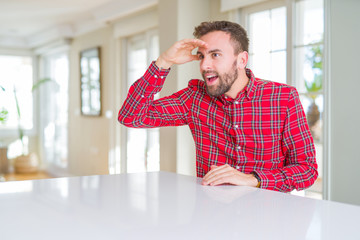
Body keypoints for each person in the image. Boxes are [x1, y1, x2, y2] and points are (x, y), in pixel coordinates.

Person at [118, 21, 318, 192]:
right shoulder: (194, 99)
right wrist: (164, 62)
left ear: (242, 60)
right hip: (210, 220)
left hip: (270, 223)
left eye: (215, 55)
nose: (204, 65)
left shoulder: (283, 98)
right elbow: (131, 116)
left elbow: (307, 170)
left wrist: (252, 179)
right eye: (202, 56)